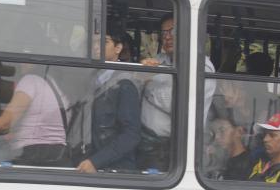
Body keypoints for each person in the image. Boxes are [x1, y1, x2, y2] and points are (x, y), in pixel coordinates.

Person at [137, 13, 216, 171]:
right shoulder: (162, 59)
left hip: (169, 147)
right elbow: (138, 82)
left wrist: (148, 83)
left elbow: (176, 103)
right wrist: (140, 75)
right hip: (146, 141)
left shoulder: (201, 66)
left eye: (173, 31)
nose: (167, 37)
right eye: (164, 33)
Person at [0, 63, 69, 167]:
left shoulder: (30, 81)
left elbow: (5, 124)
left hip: (33, 154)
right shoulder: (52, 84)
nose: (22, 63)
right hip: (56, 154)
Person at [76, 30, 141, 173]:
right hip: (92, 162)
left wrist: (96, 161)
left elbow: (131, 135)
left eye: (103, 42)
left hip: (116, 169)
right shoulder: (92, 78)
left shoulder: (125, 83)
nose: (96, 47)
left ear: (118, 48)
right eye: (93, 42)